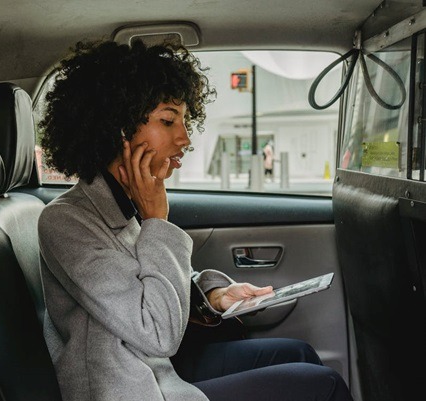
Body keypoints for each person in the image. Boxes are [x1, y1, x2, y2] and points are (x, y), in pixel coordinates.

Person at [37, 39, 353, 401]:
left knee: (298, 353)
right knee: (323, 386)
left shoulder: (127, 203)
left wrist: (214, 296)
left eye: (184, 122)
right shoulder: (66, 222)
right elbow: (156, 332)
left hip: (159, 370)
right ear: (117, 128)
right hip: (130, 389)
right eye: (168, 120)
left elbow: (157, 284)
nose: (185, 138)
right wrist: (158, 221)